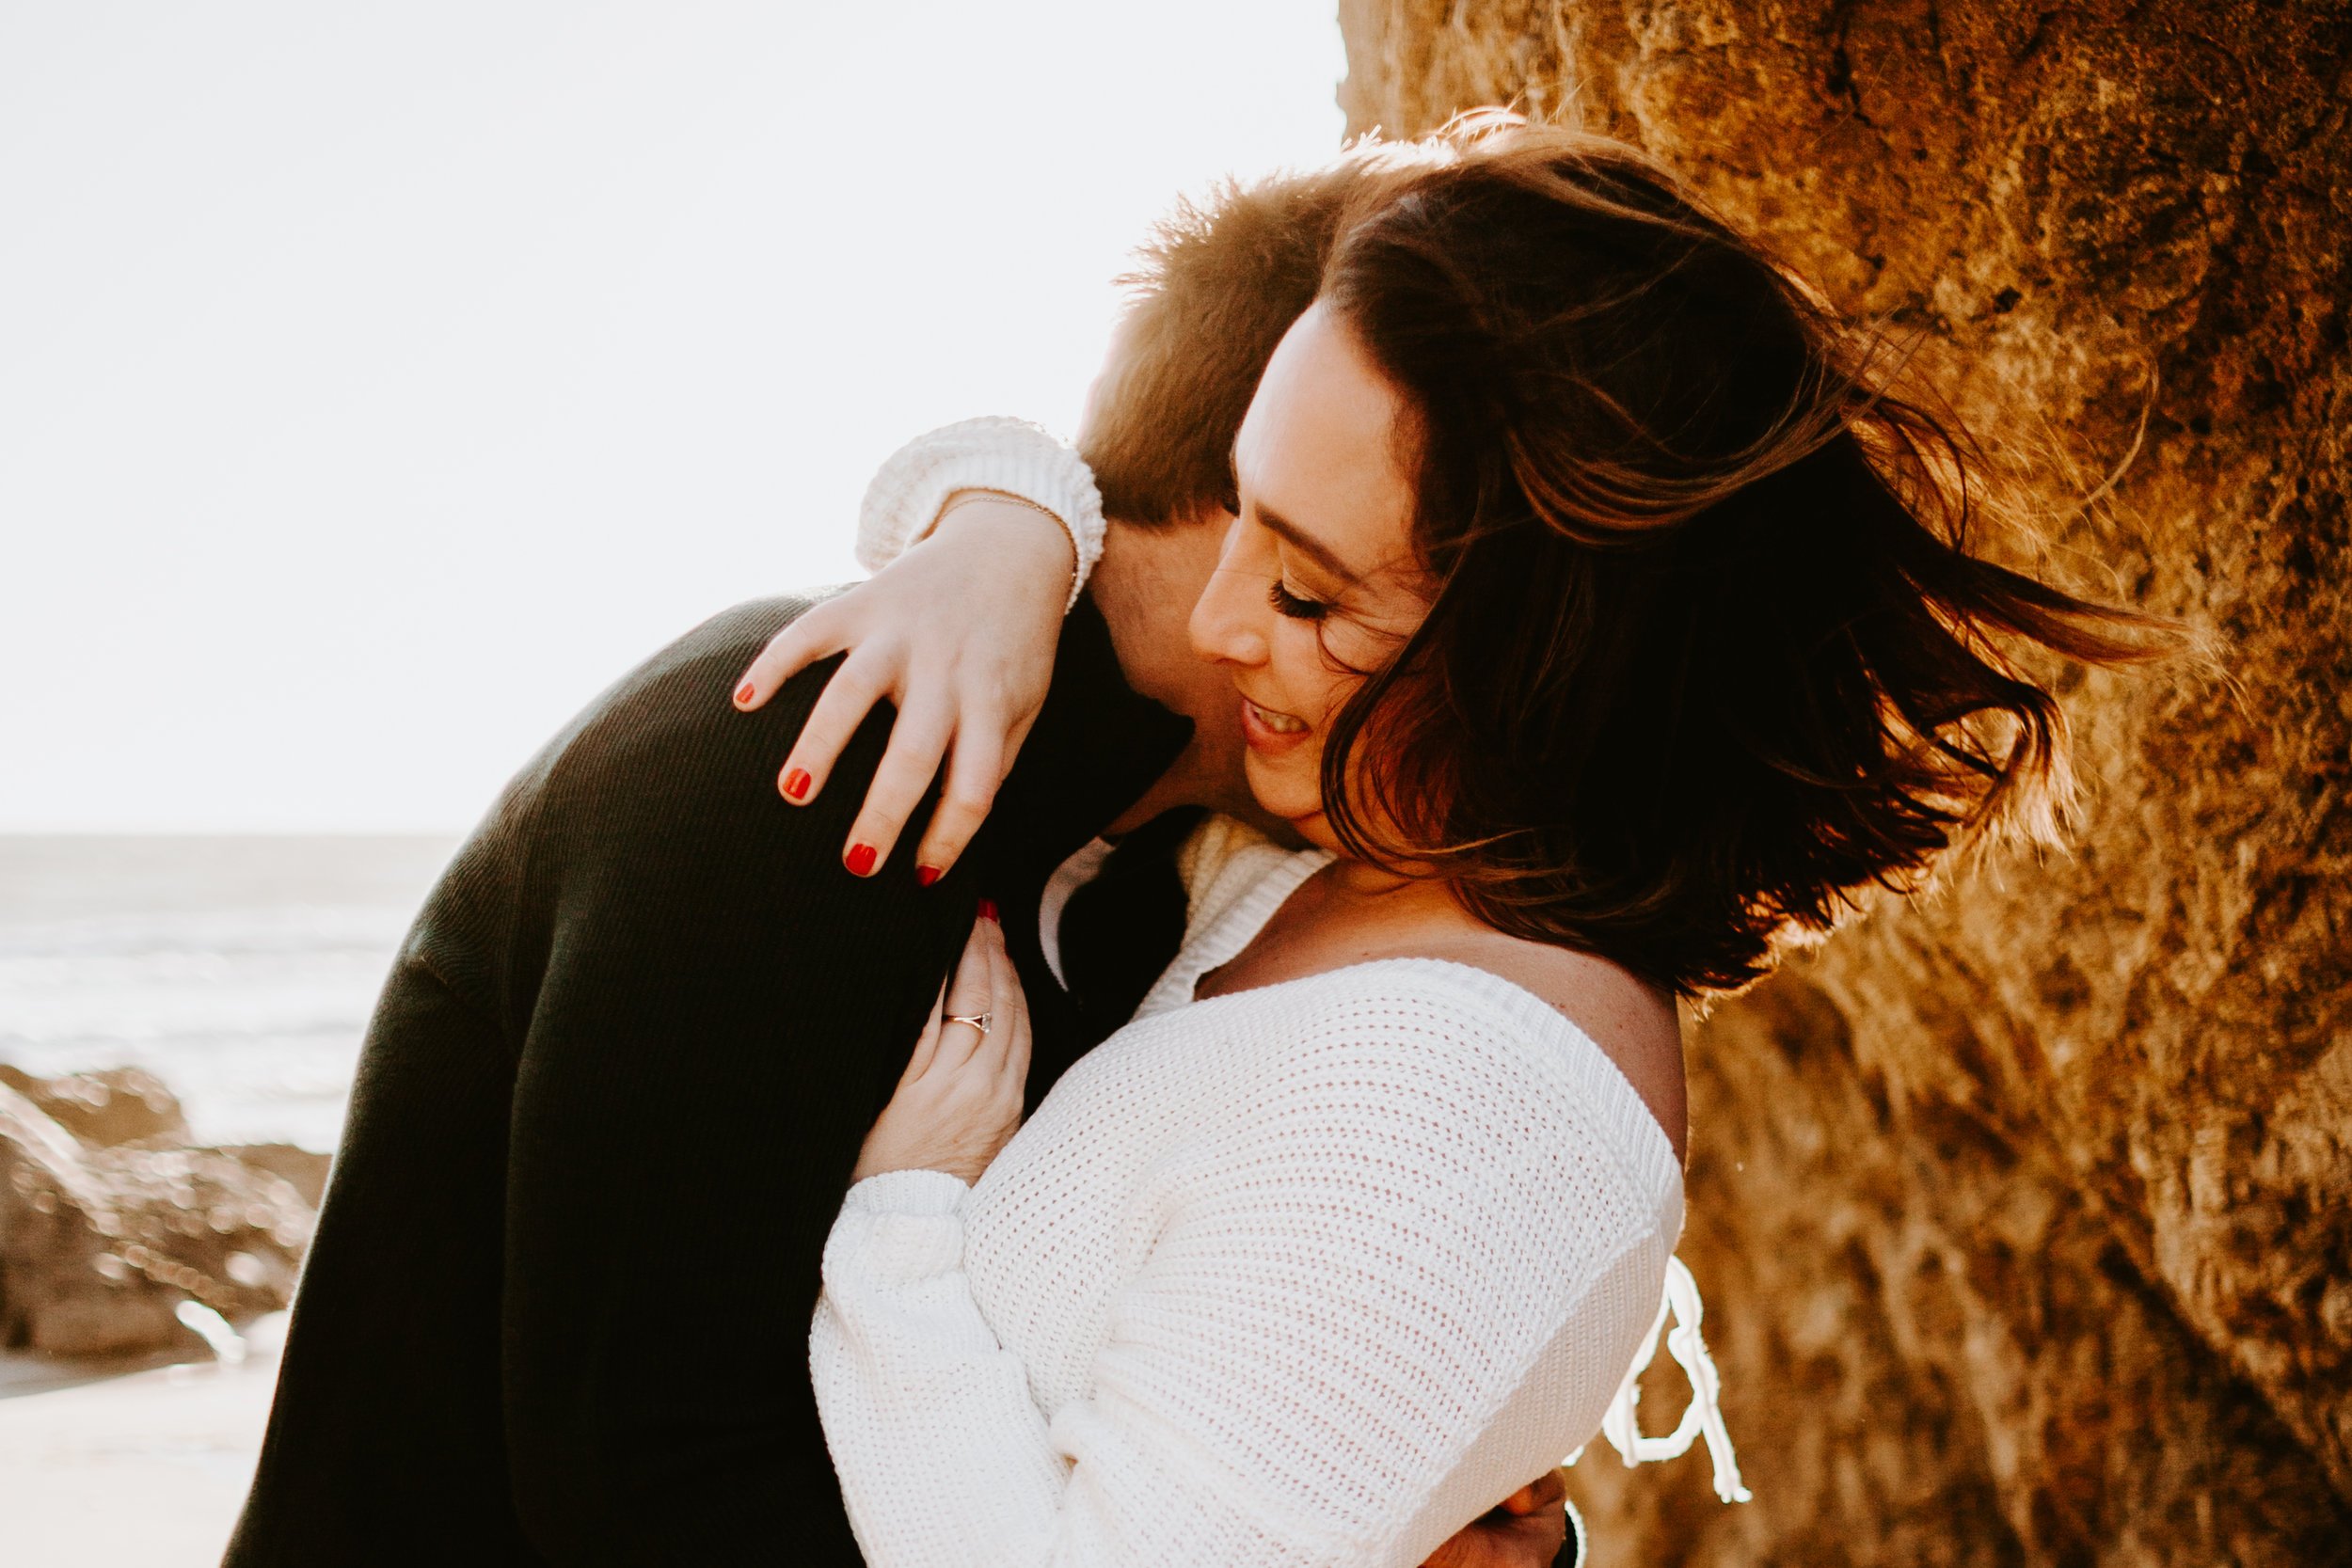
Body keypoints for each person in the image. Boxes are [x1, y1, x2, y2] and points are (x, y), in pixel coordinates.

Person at [751, 113, 2169, 1566]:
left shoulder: (1486, 1115)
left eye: (1308, 594)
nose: (1226, 619)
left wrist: (903, 1230)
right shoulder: (1320, 861)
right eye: (1249, 510)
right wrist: (1005, 524)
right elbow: (1120, 473)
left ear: (1546, 663)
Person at [222, 147, 1572, 1568]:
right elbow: (646, 1490)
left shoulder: (1161, 876)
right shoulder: (798, 754)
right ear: (1267, 486)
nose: (1484, 670)